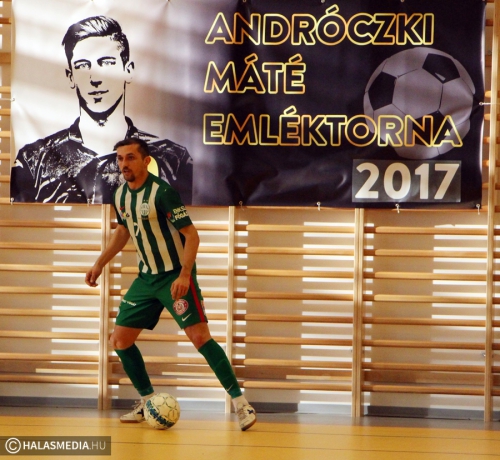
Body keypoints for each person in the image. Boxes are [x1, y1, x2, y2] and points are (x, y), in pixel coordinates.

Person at [85, 138, 256, 431]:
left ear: (146, 161)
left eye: (130, 158)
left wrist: (185, 275)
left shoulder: (162, 193)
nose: (124, 164)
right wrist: (99, 263)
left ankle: (241, 403)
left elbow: (191, 235)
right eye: (120, 159)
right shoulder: (120, 195)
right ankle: (147, 402)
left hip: (174, 276)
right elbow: (123, 231)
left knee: (200, 338)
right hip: (145, 279)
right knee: (120, 340)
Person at [11, 15, 192, 205]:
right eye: (83, 66)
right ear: (71, 77)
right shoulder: (34, 160)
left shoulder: (172, 159)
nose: (95, 78)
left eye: (107, 63)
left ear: (128, 70)